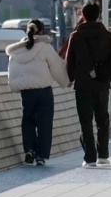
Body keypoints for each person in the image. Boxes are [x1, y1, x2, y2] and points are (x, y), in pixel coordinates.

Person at [6, 20, 69, 166]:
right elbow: (56, 67)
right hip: (43, 91)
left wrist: (15, 85)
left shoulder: (16, 50)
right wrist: (65, 82)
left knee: (27, 121)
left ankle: (29, 150)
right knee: (44, 124)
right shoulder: (45, 47)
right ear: (41, 31)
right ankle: (41, 155)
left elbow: (12, 71)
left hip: (26, 92)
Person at [65, 2, 111, 166]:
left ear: (83, 15)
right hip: (102, 85)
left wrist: (71, 77)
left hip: (82, 85)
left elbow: (70, 61)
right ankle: (103, 155)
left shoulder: (76, 36)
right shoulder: (108, 36)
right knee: (102, 120)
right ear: (98, 16)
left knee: (85, 121)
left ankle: (89, 158)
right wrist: (108, 77)